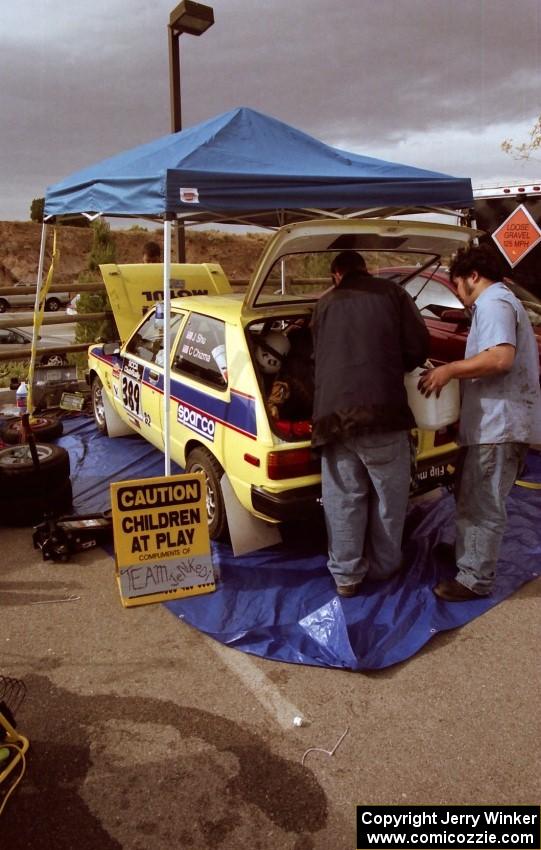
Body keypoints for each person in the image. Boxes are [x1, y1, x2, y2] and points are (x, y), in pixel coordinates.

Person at [419, 243, 541, 601]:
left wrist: (450, 370)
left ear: (473, 277)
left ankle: (474, 579)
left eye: (457, 284)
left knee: (485, 500)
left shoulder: (494, 303)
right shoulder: (495, 303)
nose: (458, 294)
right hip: (492, 422)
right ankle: (466, 556)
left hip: (500, 425)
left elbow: (500, 358)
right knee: (471, 493)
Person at [311, 250, 429, 597]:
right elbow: (418, 346)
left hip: (332, 419)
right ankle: (385, 568)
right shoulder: (394, 294)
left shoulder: (323, 305)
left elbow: (316, 357)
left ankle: (346, 577)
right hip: (384, 414)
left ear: (336, 275)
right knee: (388, 499)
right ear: (367, 269)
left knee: (343, 499)